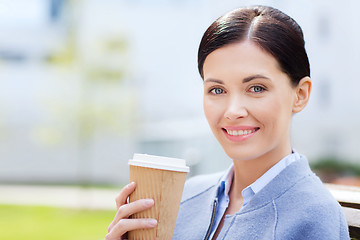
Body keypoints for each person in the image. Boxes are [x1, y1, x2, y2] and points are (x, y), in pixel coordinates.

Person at [106, 5, 350, 240]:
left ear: (300, 95)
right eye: (217, 90)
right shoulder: (186, 197)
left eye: (256, 88)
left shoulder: (314, 217)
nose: (233, 111)